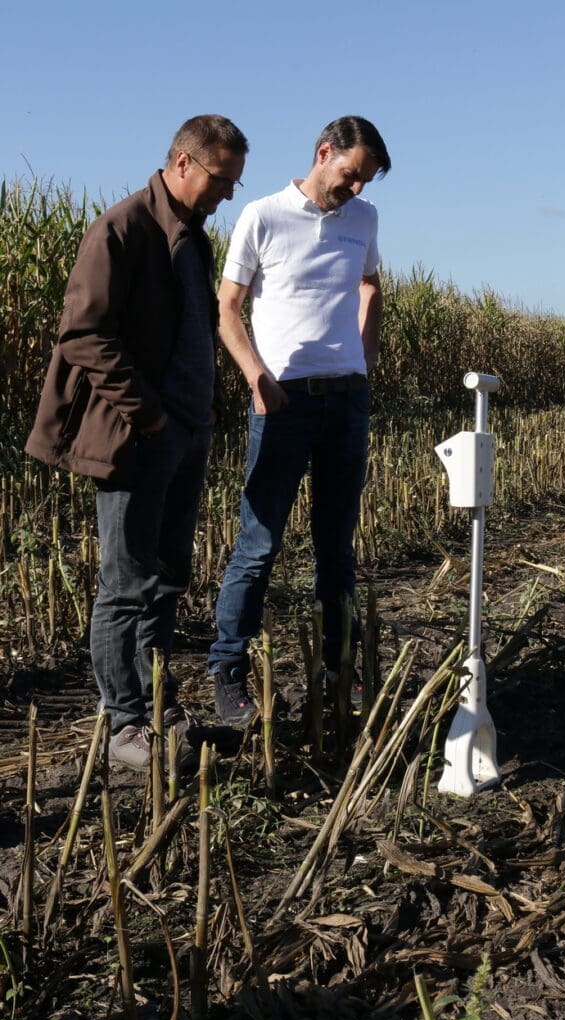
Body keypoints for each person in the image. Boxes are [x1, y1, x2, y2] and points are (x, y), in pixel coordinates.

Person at [26, 114, 249, 769]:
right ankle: (123, 724)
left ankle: (159, 708)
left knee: (166, 581)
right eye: (220, 179)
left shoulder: (194, 241)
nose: (227, 194)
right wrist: (148, 414)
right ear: (182, 163)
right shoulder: (121, 231)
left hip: (186, 435)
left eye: (234, 183)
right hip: (136, 438)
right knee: (125, 585)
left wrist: (204, 405)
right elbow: (84, 336)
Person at [208, 115, 391, 725]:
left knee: (336, 546)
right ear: (322, 153)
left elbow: (370, 286)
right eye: (350, 174)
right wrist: (255, 375)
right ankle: (229, 674)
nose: (356, 189)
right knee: (258, 546)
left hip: (346, 401)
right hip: (281, 400)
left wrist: (362, 362)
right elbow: (228, 308)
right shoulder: (261, 215)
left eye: (364, 180)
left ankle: (342, 668)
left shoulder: (363, 220)